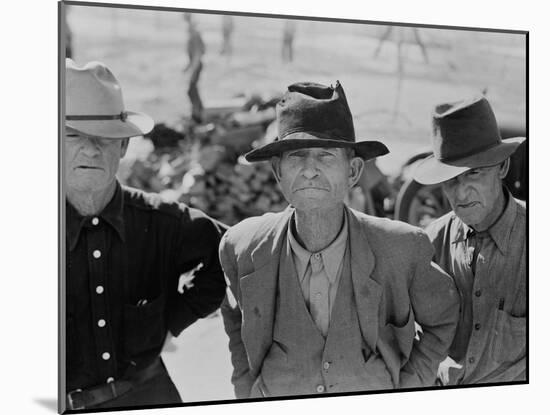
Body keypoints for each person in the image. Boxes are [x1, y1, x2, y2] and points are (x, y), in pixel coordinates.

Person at [220, 81, 460, 398]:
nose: (309, 170)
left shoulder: (400, 248)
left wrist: (410, 386)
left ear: (353, 171)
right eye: (296, 156)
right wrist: (245, 388)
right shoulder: (242, 246)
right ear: (278, 171)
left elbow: (442, 319)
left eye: (326, 156)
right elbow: (236, 318)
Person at [64, 59, 226, 410]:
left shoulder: (163, 221)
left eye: (104, 139)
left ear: (123, 147)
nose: (90, 149)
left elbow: (231, 251)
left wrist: (173, 318)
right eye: (72, 135)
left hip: (150, 398)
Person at [413, 96, 526, 385]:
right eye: (451, 179)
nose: (461, 194)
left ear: (502, 167)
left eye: (474, 173)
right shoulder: (431, 243)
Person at [183, 13, 206, 122]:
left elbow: (197, 54)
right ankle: (198, 110)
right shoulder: (193, 34)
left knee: (191, 90)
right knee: (193, 89)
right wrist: (187, 67)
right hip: (195, 65)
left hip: (197, 66)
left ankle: (197, 112)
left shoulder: (195, 35)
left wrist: (193, 69)